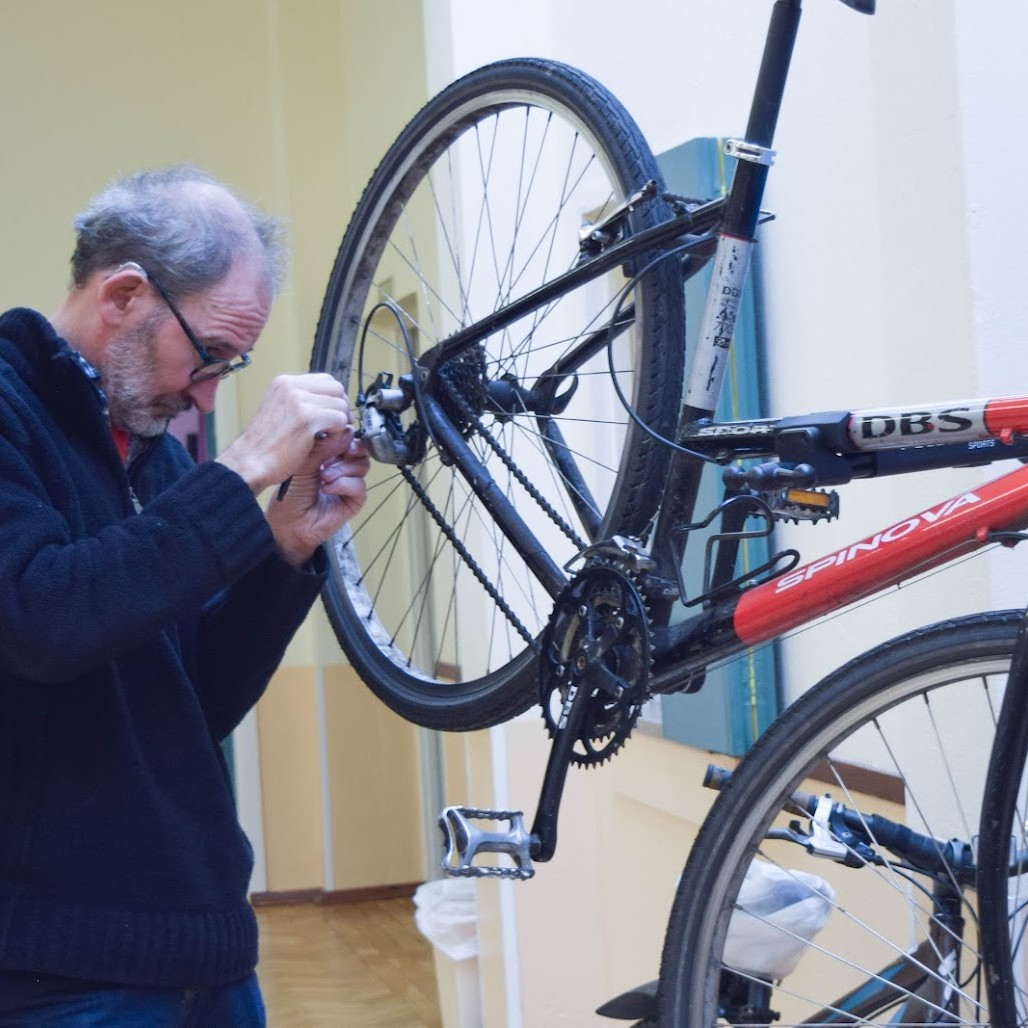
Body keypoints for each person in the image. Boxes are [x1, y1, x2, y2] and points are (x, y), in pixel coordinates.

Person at [0, 166, 370, 1024]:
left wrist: (281, 549)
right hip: (61, 976)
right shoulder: (12, 412)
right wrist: (240, 473)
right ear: (124, 294)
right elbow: (42, 620)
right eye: (208, 356)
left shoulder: (157, 452)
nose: (208, 394)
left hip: (207, 953)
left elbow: (194, 698)